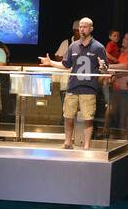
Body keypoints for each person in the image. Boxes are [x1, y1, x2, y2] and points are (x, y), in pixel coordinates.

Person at [41, 15, 107, 150]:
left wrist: (102, 66)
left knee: (88, 118)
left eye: (85, 27)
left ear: (91, 29)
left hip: (89, 89)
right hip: (73, 87)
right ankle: (67, 142)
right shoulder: (73, 46)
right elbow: (65, 64)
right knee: (68, 116)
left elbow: (105, 68)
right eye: (80, 27)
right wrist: (50, 63)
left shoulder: (98, 47)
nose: (82, 29)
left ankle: (87, 145)